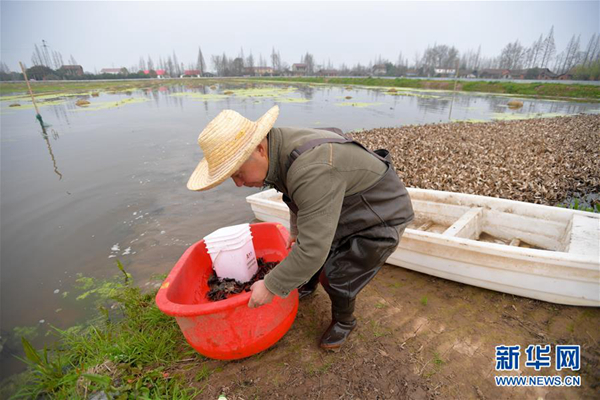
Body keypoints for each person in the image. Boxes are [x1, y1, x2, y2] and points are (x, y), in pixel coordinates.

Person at [187, 105, 414, 350]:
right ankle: (307, 282)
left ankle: (345, 322)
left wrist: (271, 285)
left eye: (238, 173)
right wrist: (295, 230)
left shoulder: (311, 169)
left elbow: (313, 249)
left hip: (380, 214)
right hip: (346, 204)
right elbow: (297, 196)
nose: (239, 184)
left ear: (259, 149)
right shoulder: (279, 147)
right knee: (313, 245)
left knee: (338, 275)